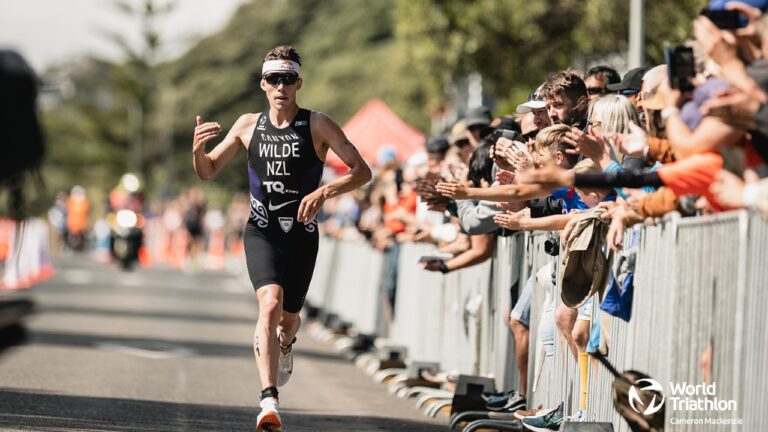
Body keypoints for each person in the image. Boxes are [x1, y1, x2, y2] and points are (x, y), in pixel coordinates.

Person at [191, 45, 372, 431]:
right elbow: (207, 172)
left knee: (288, 319)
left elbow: (362, 171)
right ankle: (268, 400)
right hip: (261, 231)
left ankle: (286, 343)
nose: (280, 86)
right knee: (269, 305)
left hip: (302, 236)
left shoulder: (318, 125)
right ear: (263, 84)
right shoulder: (246, 125)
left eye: (288, 79)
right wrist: (197, 151)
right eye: (273, 79)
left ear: (299, 82)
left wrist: (325, 192)